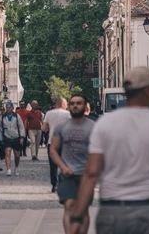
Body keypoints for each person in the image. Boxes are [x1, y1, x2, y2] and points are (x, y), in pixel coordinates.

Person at [70, 66, 149, 234]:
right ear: (148, 90)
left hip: (112, 209)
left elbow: (91, 172)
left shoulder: (105, 123)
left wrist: (77, 216)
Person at [50, 94, 95, 234]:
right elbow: (53, 150)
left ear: (85, 106)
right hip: (67, 173)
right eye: (73, 103)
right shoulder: (61, 127)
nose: (75, 106)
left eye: (79, 103)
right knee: (69, 205)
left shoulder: (93, 127)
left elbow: (98, 151)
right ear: (68, 107)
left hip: (85, 175)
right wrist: (63, 167)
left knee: (83, 208)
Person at [43, 97, 71, 193]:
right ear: (63, 104)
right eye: (66, 104)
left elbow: (43, 128)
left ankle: (54, 184)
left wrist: (49, 128)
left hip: (52, 142)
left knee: (53, 165)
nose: (67, 106)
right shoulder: (68, 114)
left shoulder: (49, 113)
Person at [0, 102, 26, 176]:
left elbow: (21, 127)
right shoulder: (3, 117)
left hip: (16, 137)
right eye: (7, 107)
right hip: (7, 137)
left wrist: (22, 137)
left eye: (9, 107)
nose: (8, 109)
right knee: (7, 152)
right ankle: (8, 169)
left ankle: (16, 168)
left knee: (17, 155)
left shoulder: (17, 116)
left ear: (12, 108)